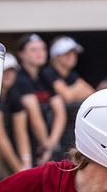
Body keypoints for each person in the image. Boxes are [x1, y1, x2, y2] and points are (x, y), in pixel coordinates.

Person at [12, 33, 67, 165]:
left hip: (47, 144)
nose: (40, 53)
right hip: (25, 145)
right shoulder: (20, 79)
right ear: (21, 54)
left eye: (43, 48)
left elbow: (60, 112)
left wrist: (51, 145)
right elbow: (35, 119)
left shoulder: (45, 75)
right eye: (33, 49)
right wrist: (47, 147)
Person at [0, 53, 32, 176]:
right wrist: (20, 171)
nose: (8, 75)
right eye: (4, 71)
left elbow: (21, 132)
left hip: (1, 157)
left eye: (11, 71)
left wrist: (26, 166)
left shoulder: (13, 94)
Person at [42, 36, 94, 103]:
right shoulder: (49, 73)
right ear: (56, 56)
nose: (72, 57)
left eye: (74, 53)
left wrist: (73, 91)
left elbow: (92, 93)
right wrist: (78, 89)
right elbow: (67, 96)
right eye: (67, 54)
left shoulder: (71, 74)